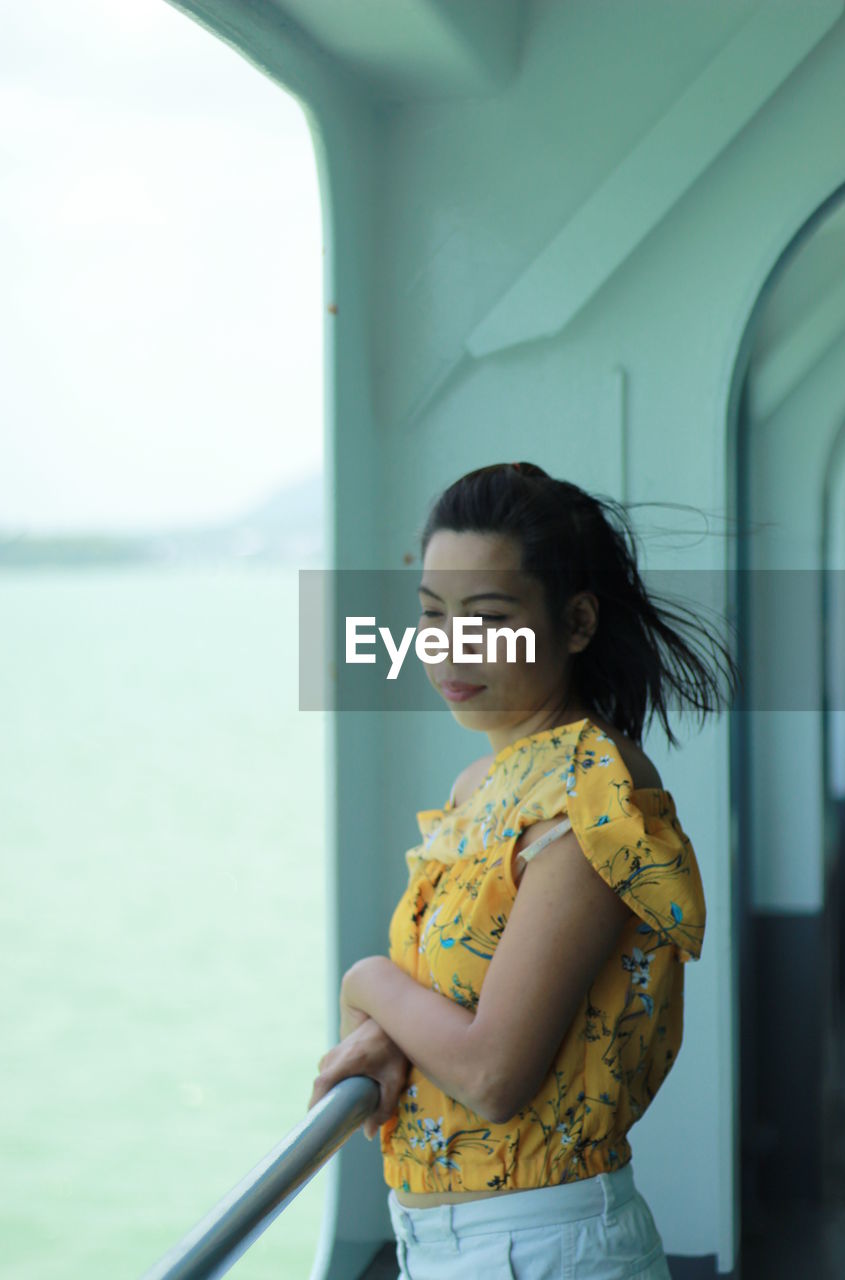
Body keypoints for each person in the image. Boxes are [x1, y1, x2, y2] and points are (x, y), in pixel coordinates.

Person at [308, 461, 739, 1279]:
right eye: (431, 615)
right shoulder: (483, 786)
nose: (451, 646)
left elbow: (492, 1074)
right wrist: (389, 1028)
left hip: (541, 1249)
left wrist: (365, 981)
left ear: (575, 623)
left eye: (489, 616)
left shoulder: (588, 796)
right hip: (448, 1244)